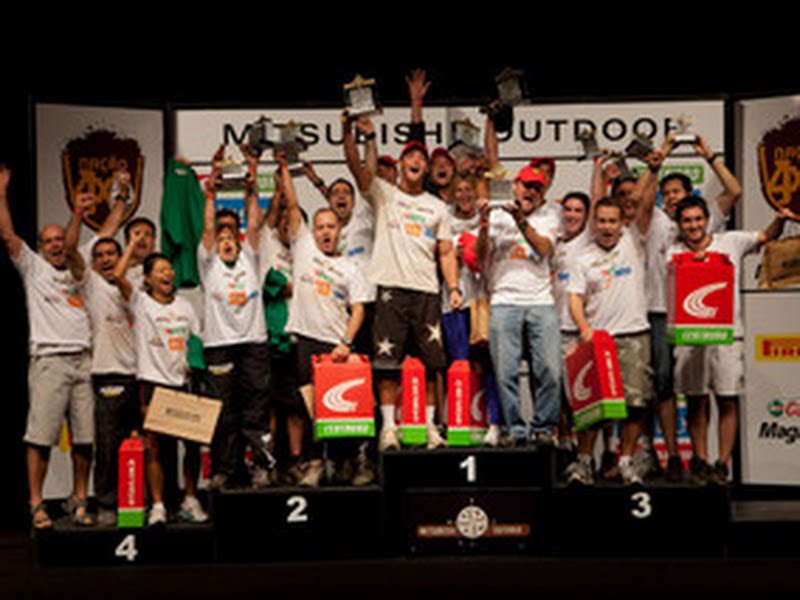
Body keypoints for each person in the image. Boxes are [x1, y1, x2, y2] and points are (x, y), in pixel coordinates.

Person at [344, 114, 463, 451]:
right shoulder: (385, 195)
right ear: (400, 165)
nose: (416, 161)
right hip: (391, 289)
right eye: (410, 156)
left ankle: (429, 427)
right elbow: (357, 168)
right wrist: (356, 135)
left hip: (426, 291)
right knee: (387, 365)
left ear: (426, 169)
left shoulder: (437, 207)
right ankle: (389, 428)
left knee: (431, 365)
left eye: (421, 158)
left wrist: (454, 287)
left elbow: (446, 252)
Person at [636, 133, 742, 482]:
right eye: (666, 193)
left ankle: (704, 459)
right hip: (659, 312)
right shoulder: (654, 220)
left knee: (701, 390)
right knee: (663, 386)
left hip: (696, 316)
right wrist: (658, 161)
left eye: (677, 192)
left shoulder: (702, 220)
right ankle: (671, 455)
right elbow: (640, 201)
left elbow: (734, 191)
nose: (671, 198)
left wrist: (709, 155)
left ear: (689, 196)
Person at [667, 196, 791, 484]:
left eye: (698, 219)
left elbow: (766, 236)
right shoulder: (673, 252)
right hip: (689, 336)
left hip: (727, 334)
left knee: (727, 398)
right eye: (687, 221)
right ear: (680, 225)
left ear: (707, 219)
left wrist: (780, 219)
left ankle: (722, 464)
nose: (694, 225)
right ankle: (700, 460)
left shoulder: (730, 241)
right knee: (696, 400)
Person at [0, 166, 95, 529]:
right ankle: (36, 502)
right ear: (40, 248)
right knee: (40, 438)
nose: (56, 245)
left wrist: (79, 214)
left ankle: (79, 498)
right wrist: (1, 194)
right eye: (49, 241)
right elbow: (8, 236)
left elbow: (78, 244)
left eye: (59, 240)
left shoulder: (78, 268)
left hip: (84, 361)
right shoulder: (34, 268)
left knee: (84, 439)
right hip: (50, 360)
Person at [280, 163, 372, 485]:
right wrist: (284, 167)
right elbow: (293, 206)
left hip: (337, 347)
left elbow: (358, 309)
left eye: (331, 227)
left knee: (342, 410)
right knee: (310, 410)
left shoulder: (350, 267)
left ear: (339, 231)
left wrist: (346, 342)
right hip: (307, 342)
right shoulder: (303, 248)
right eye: (320, 227)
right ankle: (316, 464)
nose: (325, 232)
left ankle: (348, 464)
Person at [113, 232, 206, 525]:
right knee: (153, 445)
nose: (169, 273)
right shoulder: (140, 303)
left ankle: (190, 499)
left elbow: (196, 341)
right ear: (148, 278)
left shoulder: (185, 306)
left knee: (192, 445)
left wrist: (194, 364)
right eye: (161, 270)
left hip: (183, 384)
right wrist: (131, 245)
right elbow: (118, 276)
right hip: (152, 383)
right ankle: (158, 506)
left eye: (170, 269)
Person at [564, 197, 653, 486]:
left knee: (634, 405)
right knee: (594, 409)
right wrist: (584, 328)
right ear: (594, 223)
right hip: (599, 341)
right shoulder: (583, 258)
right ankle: (584, 462)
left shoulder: (632, 242)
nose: (607, 227)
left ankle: (626, 461)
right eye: (601, 221)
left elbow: (644, 203)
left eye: (612, 221)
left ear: (622, 223)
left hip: (633, 334)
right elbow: (574, 297)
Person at [62, 187, 137, 526]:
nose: (106, 259)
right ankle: (107, 503)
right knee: (108, 445)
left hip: (143, 375)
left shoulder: (137, 283)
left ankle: (142, 502)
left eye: (111, 253)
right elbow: (69, 251)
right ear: (93, 263)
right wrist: (78, 214)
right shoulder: (91, 284)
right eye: (100, 255)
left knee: (147, 445)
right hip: (109, 374)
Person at [477, 165, 562, 446]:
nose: (530, 192)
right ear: (515, 186)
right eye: (526, 185)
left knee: (550, 370)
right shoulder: (496, 215)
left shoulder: (550, 214)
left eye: (537, 188)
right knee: (505, 371)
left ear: (543, 193)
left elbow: (544, 249)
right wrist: (484, 224)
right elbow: (480, 257)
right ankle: (514, 429)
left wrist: (520, 220)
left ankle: (544, 428)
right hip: (504, 300)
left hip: (541, 300)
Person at [199, 161, 271, 490]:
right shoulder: (209, 262)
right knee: (223, 412)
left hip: (253, 342)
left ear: (240, 243)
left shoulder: (250, 258)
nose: (226, 241)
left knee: (255, 409)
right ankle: (225, 470)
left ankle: (261, 466)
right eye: (222, 237)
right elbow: (208, 229)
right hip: (219, 346)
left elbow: (253, 224)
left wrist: (250, 190)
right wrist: (210, 196)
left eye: (232, 237)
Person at [442, 174, 502, 446]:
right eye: (460, 190)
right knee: (459, 364)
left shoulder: (490, 219)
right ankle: (459, 422)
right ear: (452, 194)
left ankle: (494, 423)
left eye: (469, 190)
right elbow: (437, 258)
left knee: (489, 364)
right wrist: (452, 257)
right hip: (454, 303)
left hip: (484, 302)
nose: (465, 195)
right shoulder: (445, 221)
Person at [551, 191, 593, 449]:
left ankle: (586, 451)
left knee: (581, 394)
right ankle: (564, 443)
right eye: (568, 209)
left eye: (578, 210)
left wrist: (599, 171)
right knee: (557, 393)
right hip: (553, 326)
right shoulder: (554, 242)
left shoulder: (588, 239)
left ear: (587, 216)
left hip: (578, 329)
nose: (572, 215)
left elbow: (597, 196)